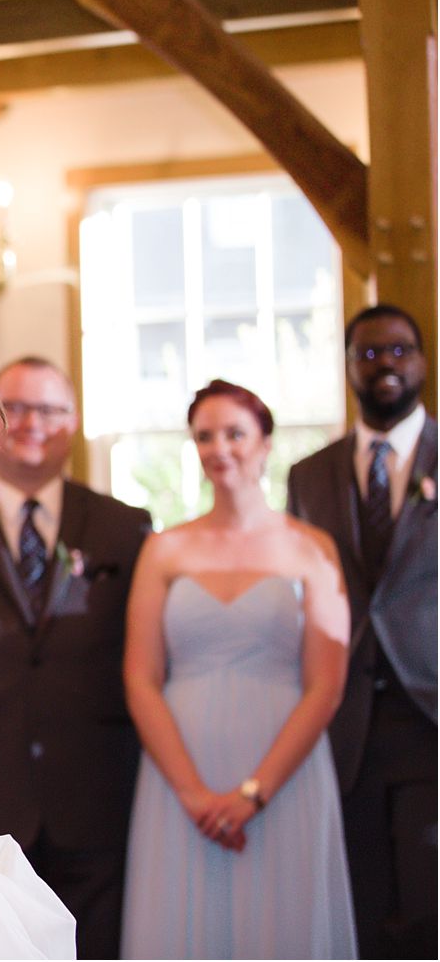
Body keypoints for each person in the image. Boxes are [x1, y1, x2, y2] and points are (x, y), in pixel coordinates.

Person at [119, 380, 355, 958]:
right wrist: (194, 793)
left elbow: (326, 684)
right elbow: (140, 678)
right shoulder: (165, 550)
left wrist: (253, 793)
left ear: (266, 443)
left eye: (235, 433)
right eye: (204, 436)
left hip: (283, 770)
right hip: (182, 773)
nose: (219, 448)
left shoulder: (312, 549)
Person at [0, 356, 151, 959]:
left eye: (52, 409)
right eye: (19, 408)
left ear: (74, 424)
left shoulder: (124, 529)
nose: (35, 422)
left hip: (93, 791)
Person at [287, 304, 436, 958]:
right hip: (344, 720)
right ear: (348, 366)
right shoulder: (308, 475)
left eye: (400, 350)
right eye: (369, 353)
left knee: (430, 904)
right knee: (362, 907)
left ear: (423, 362)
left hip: (429, 714)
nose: (385, 364)